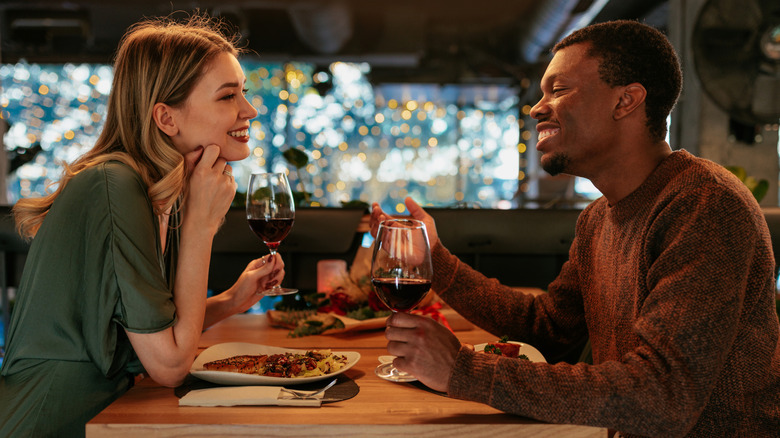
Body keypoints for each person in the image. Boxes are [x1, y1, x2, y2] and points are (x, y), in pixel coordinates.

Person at [370, 20, 780, 437]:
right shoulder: (599, 217)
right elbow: (546, 328)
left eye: (559, 89)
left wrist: (461, 370)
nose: (536, 107)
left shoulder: (704, 204)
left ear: (626, 101)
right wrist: (434, 260)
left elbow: (662, 396)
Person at [0, 14, 285, 437]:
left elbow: (153, 333)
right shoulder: (113, 184)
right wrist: (200, 228)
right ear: (166, 118)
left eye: (242, 92)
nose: (250, 109)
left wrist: (231, 300)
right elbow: (169, 364)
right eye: (228, 96)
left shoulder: (151, 188)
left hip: (103, 414)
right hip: (48, 420)